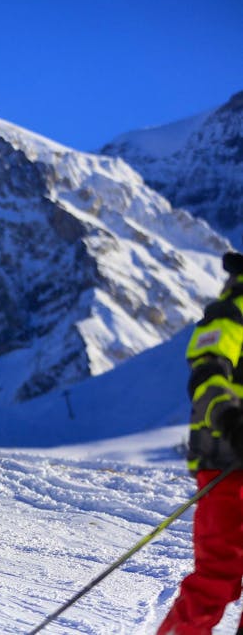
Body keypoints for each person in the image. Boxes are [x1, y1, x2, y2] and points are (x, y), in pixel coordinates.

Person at [158, 251, 243, 634]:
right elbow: (207, 368)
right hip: (227, 459)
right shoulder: (232, 311)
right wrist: (230, 418)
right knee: (217, 578)